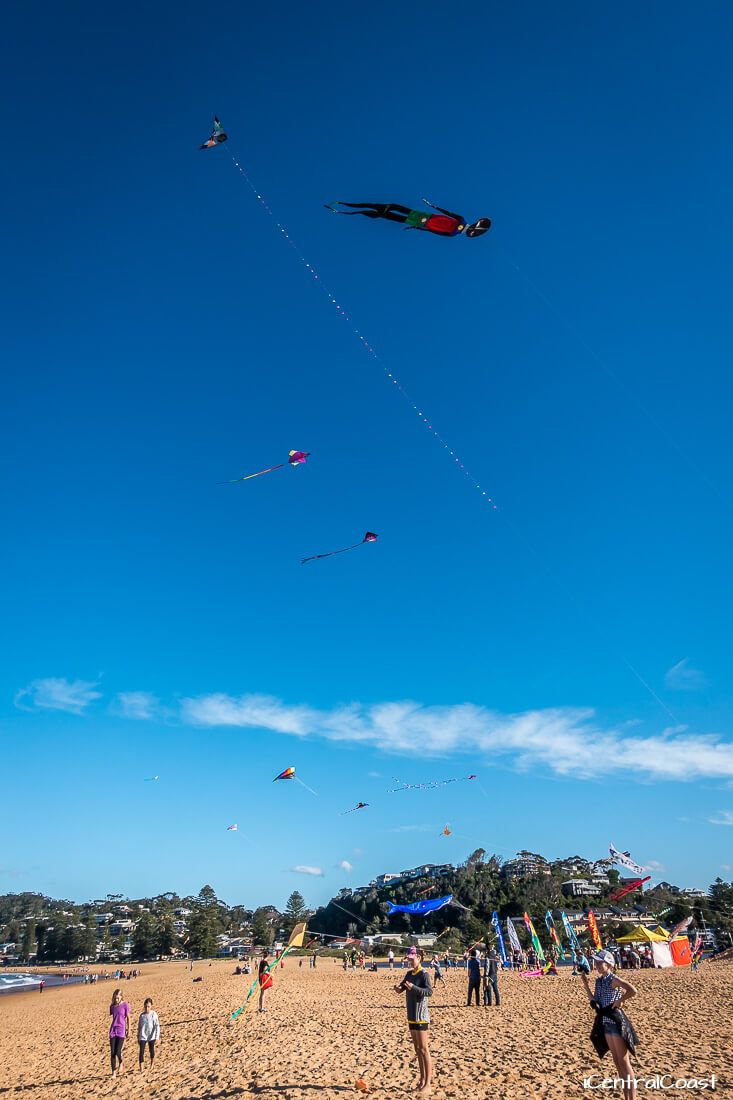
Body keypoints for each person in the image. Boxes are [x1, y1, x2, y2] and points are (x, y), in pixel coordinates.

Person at [580, 949, 639, 1100]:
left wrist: (620, 1000)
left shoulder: (613, 979)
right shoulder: (599, 981)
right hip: (605, 1022)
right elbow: (595, 1002)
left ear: (609, 964)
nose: (597, 965)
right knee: (617, 1062)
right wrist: (586, 985)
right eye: (597, 962)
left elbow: (632, 990)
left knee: (624, 1063)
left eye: (601, 963)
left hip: (615, 1022)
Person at [325, 199, 490, 238]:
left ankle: (343, 208)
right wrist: (432, 206)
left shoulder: (457, 226)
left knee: (392, 212)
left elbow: (436, 229)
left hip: (423, 219)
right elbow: (436, 229)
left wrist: (432, 207)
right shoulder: (456, 228)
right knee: (392, 212)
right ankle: (343, 207)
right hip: (424, 218)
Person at [395, 948, 433, 1094]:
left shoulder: (424, 974)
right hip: (411, 1015)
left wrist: (414, 988)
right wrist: (398, 989)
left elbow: (429, 992)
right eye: (409, 958)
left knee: (424, 1049)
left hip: (421, 1015)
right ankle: (422, 1080)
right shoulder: (409, 974)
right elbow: (402, 988)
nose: (410, 960)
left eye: (412, 958)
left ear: (418, 957)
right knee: (417, 1050)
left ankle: (428, 1084)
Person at [109, 988, 129, 1078]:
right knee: (112, 1052)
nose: (116, 1000)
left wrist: (129, 1029)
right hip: (113, 1030)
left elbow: (128, 1018)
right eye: (115, 998)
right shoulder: (112, 1007)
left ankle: (121, 1061)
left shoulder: (125, 1005)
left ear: (121, 997)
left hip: (121, 1030)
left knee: (117, 1051)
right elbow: (112, 1016)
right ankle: (113, 1073)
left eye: (118, 998)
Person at [137, 997, 160, 1072]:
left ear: (151, 1006)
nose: (147, 1008)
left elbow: (157, 1026)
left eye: (148, 1006)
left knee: (151, 1050)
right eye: (146, 1006)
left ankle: (152, 1064)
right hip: (143, 1036)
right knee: (141, 1052)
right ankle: (141, 1068)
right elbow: (139, 1027)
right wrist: (138, 1037)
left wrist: (157, 1037)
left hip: (151, 1035)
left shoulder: (154, 1014)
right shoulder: (142, 1016)